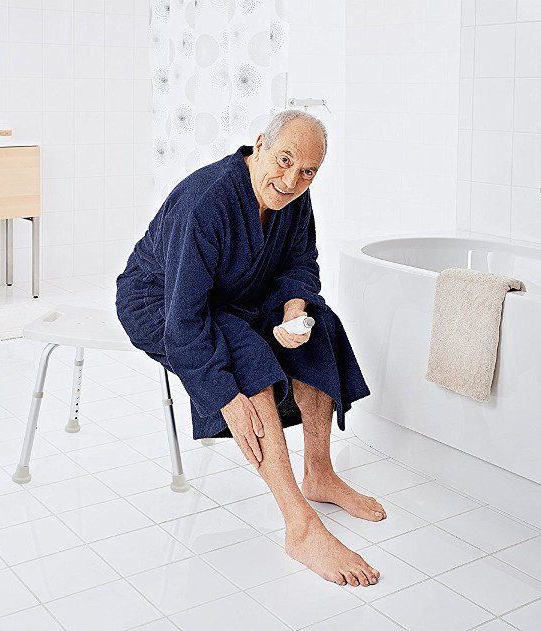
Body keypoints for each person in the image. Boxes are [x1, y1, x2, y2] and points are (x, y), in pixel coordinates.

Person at [116, 110, 384, 587]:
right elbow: (184, 320)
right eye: (284, 160)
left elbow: (301, 262)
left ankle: (320, 473)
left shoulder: (293, 196)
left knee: (319, 325)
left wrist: (292, 310)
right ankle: (300, 526)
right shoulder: (205, 203)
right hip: (162, 303)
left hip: (234, 295)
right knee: (243, 354)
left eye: (308, 171)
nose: (291, 180)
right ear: (260, 145)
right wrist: (224, 394)